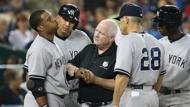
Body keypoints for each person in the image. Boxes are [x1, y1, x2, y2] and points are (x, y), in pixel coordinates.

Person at [112, 3, 165, 107]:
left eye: (120, 20)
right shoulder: (157, 42)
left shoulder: (127, 41)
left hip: (134, 97)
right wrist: (150, 93)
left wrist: (115, 103)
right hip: (152, 97)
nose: (120, 24)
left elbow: (122, 76)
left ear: (126, 20)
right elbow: (161, 76)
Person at [66, 19, 118, 107]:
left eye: (101, 33)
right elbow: (69, 65)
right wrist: (76, 71)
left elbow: (119, 84)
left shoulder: (118, 54)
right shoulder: (89, 49)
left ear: (112, 38)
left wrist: (95, 79)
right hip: (83, 104)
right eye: (96, 30)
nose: (96, 35)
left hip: (106, 104)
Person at [23, 10, 69, 107]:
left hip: (55, 97)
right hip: (44, 100)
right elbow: (35, 84)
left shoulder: (50, 41)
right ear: (40, 27)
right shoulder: (39, 49)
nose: (55, 20)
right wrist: (44, 106)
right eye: (49, 19)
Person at [54, 4, 91, 107]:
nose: (67, 24)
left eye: (71, 22)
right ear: (57, 18)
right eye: (65, 19)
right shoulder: (47, 38)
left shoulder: (83, 38)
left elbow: (91, 62)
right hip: (55, 94)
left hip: (77, 94)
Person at [154, 5, 190, 107]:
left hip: (182, 98)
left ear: (171, 24)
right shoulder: (158, 43)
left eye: (161, 23)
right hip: (158, 96)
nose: (158, 26)